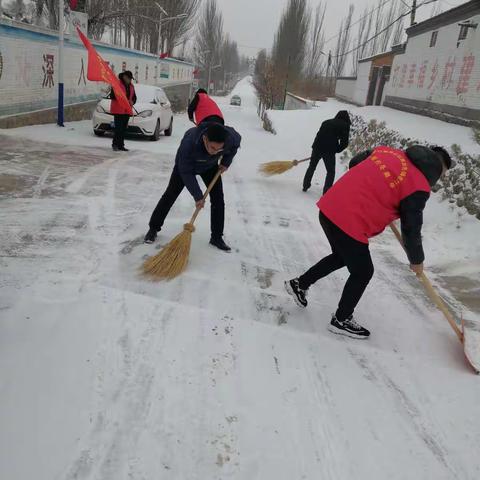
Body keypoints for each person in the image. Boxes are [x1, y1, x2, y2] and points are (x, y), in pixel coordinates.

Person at [286, 144, 452, 339]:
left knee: (343, 257)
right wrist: (417, 260)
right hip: (349, 219)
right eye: (443, 173)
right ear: (437, 167)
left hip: (330, 206)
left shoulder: (389, 152)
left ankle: (299, 284)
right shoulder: (418, 186)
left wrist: (379, 189)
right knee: (363, 271)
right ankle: (341, 319)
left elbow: (355, 163)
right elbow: (411, 227)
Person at [144, 122, 241, 251]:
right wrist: (198, 196)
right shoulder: (189, 143)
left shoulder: (229, 138)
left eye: (219, 149)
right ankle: (153, 228)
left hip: (209, 167)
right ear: (205, 138)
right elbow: (186, 172)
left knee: (218, 198)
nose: (215, 152)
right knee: (170, 194)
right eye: (212, 147)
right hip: (185, 167)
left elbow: (235, 145)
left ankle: (217, 237)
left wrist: (225, 162)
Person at [303, 110, 351, 194]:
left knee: (312, 166)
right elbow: (344, 143)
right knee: (330, 171)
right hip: (329, 151)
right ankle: (326, 192)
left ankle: (305, 185)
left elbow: (318, 135)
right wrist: (336, 149)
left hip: (317, 147)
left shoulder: (326, 122)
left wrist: (315, 148)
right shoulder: (345, 125)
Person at [110, 70, 136, 152]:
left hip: (126, 110)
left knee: (123, 129)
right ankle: (115, 144)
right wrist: (122, 99)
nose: (130, 80)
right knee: (118, 128)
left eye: (131, 79)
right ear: (124, 77)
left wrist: (133, 101)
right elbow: (112, 96)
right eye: (129, 78)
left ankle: (121, 145)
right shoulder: (117, 85)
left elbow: (134, 97)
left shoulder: (131, 86)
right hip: (118, 110)